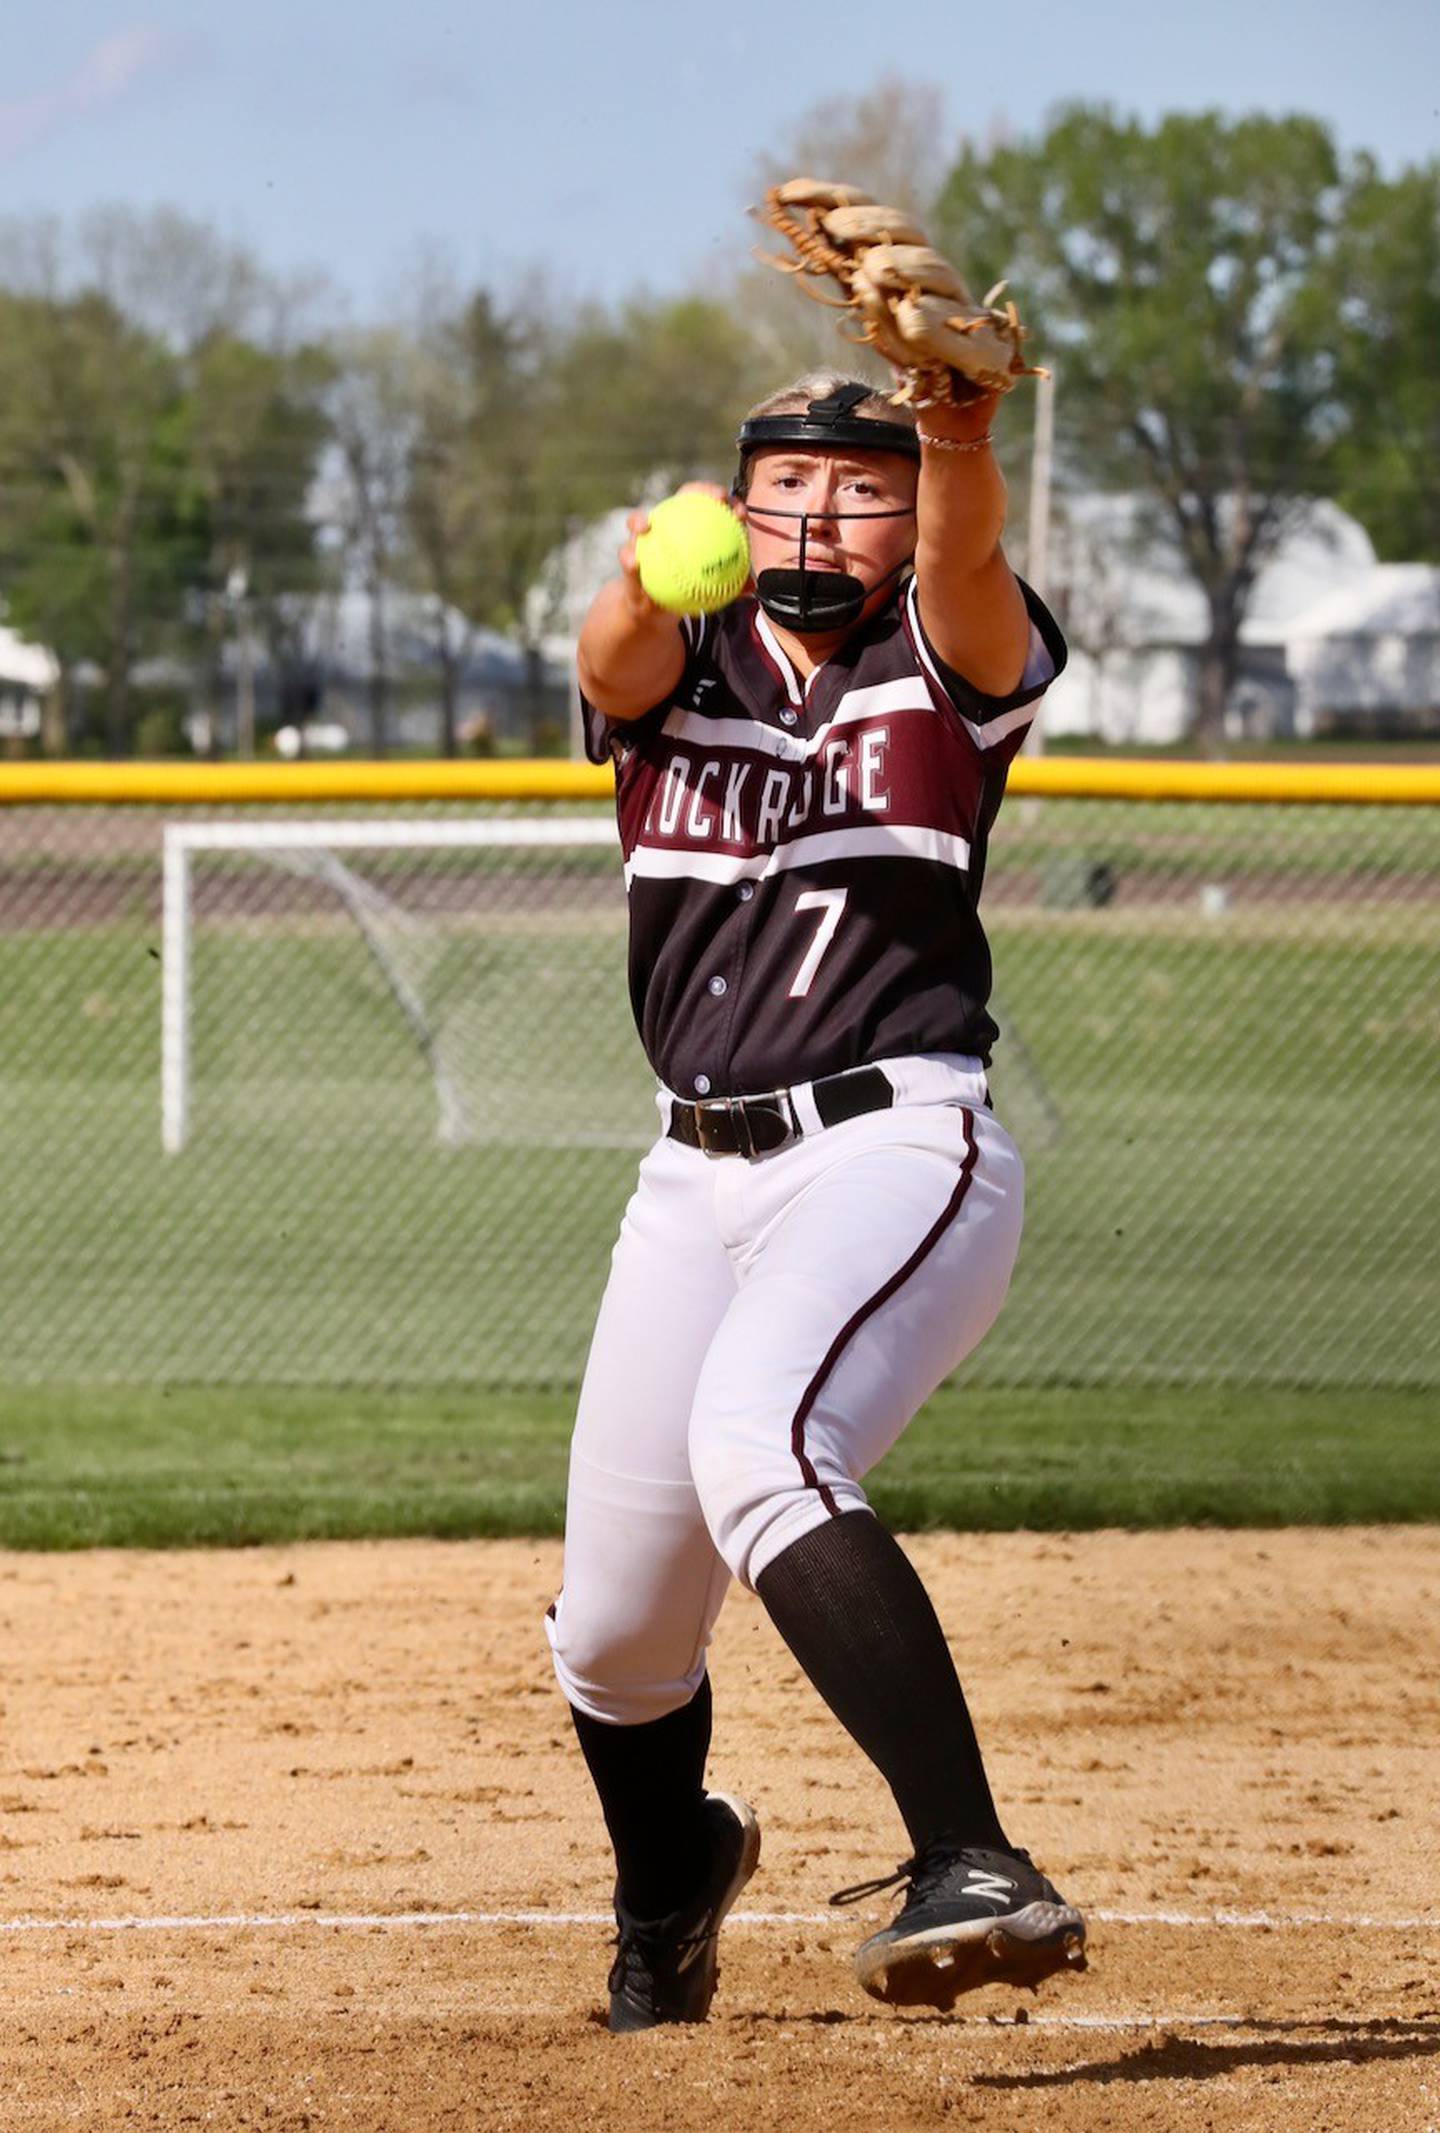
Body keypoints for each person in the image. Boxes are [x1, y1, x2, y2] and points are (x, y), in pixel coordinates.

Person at [546, 368, 1086, 2032]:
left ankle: (972, 1857)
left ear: (907, 516)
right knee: (618, 1640)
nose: (811, 513)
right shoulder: (679, 661)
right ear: (731, 504)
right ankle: (671, 1878)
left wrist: (962, 442)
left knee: (764, 1441)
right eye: (782, 481)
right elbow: (606, 658)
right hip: (689, 1170)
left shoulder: (940, 650)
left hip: (893, 1144)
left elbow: (980, 576)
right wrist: (647, 571)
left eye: (856, 486)